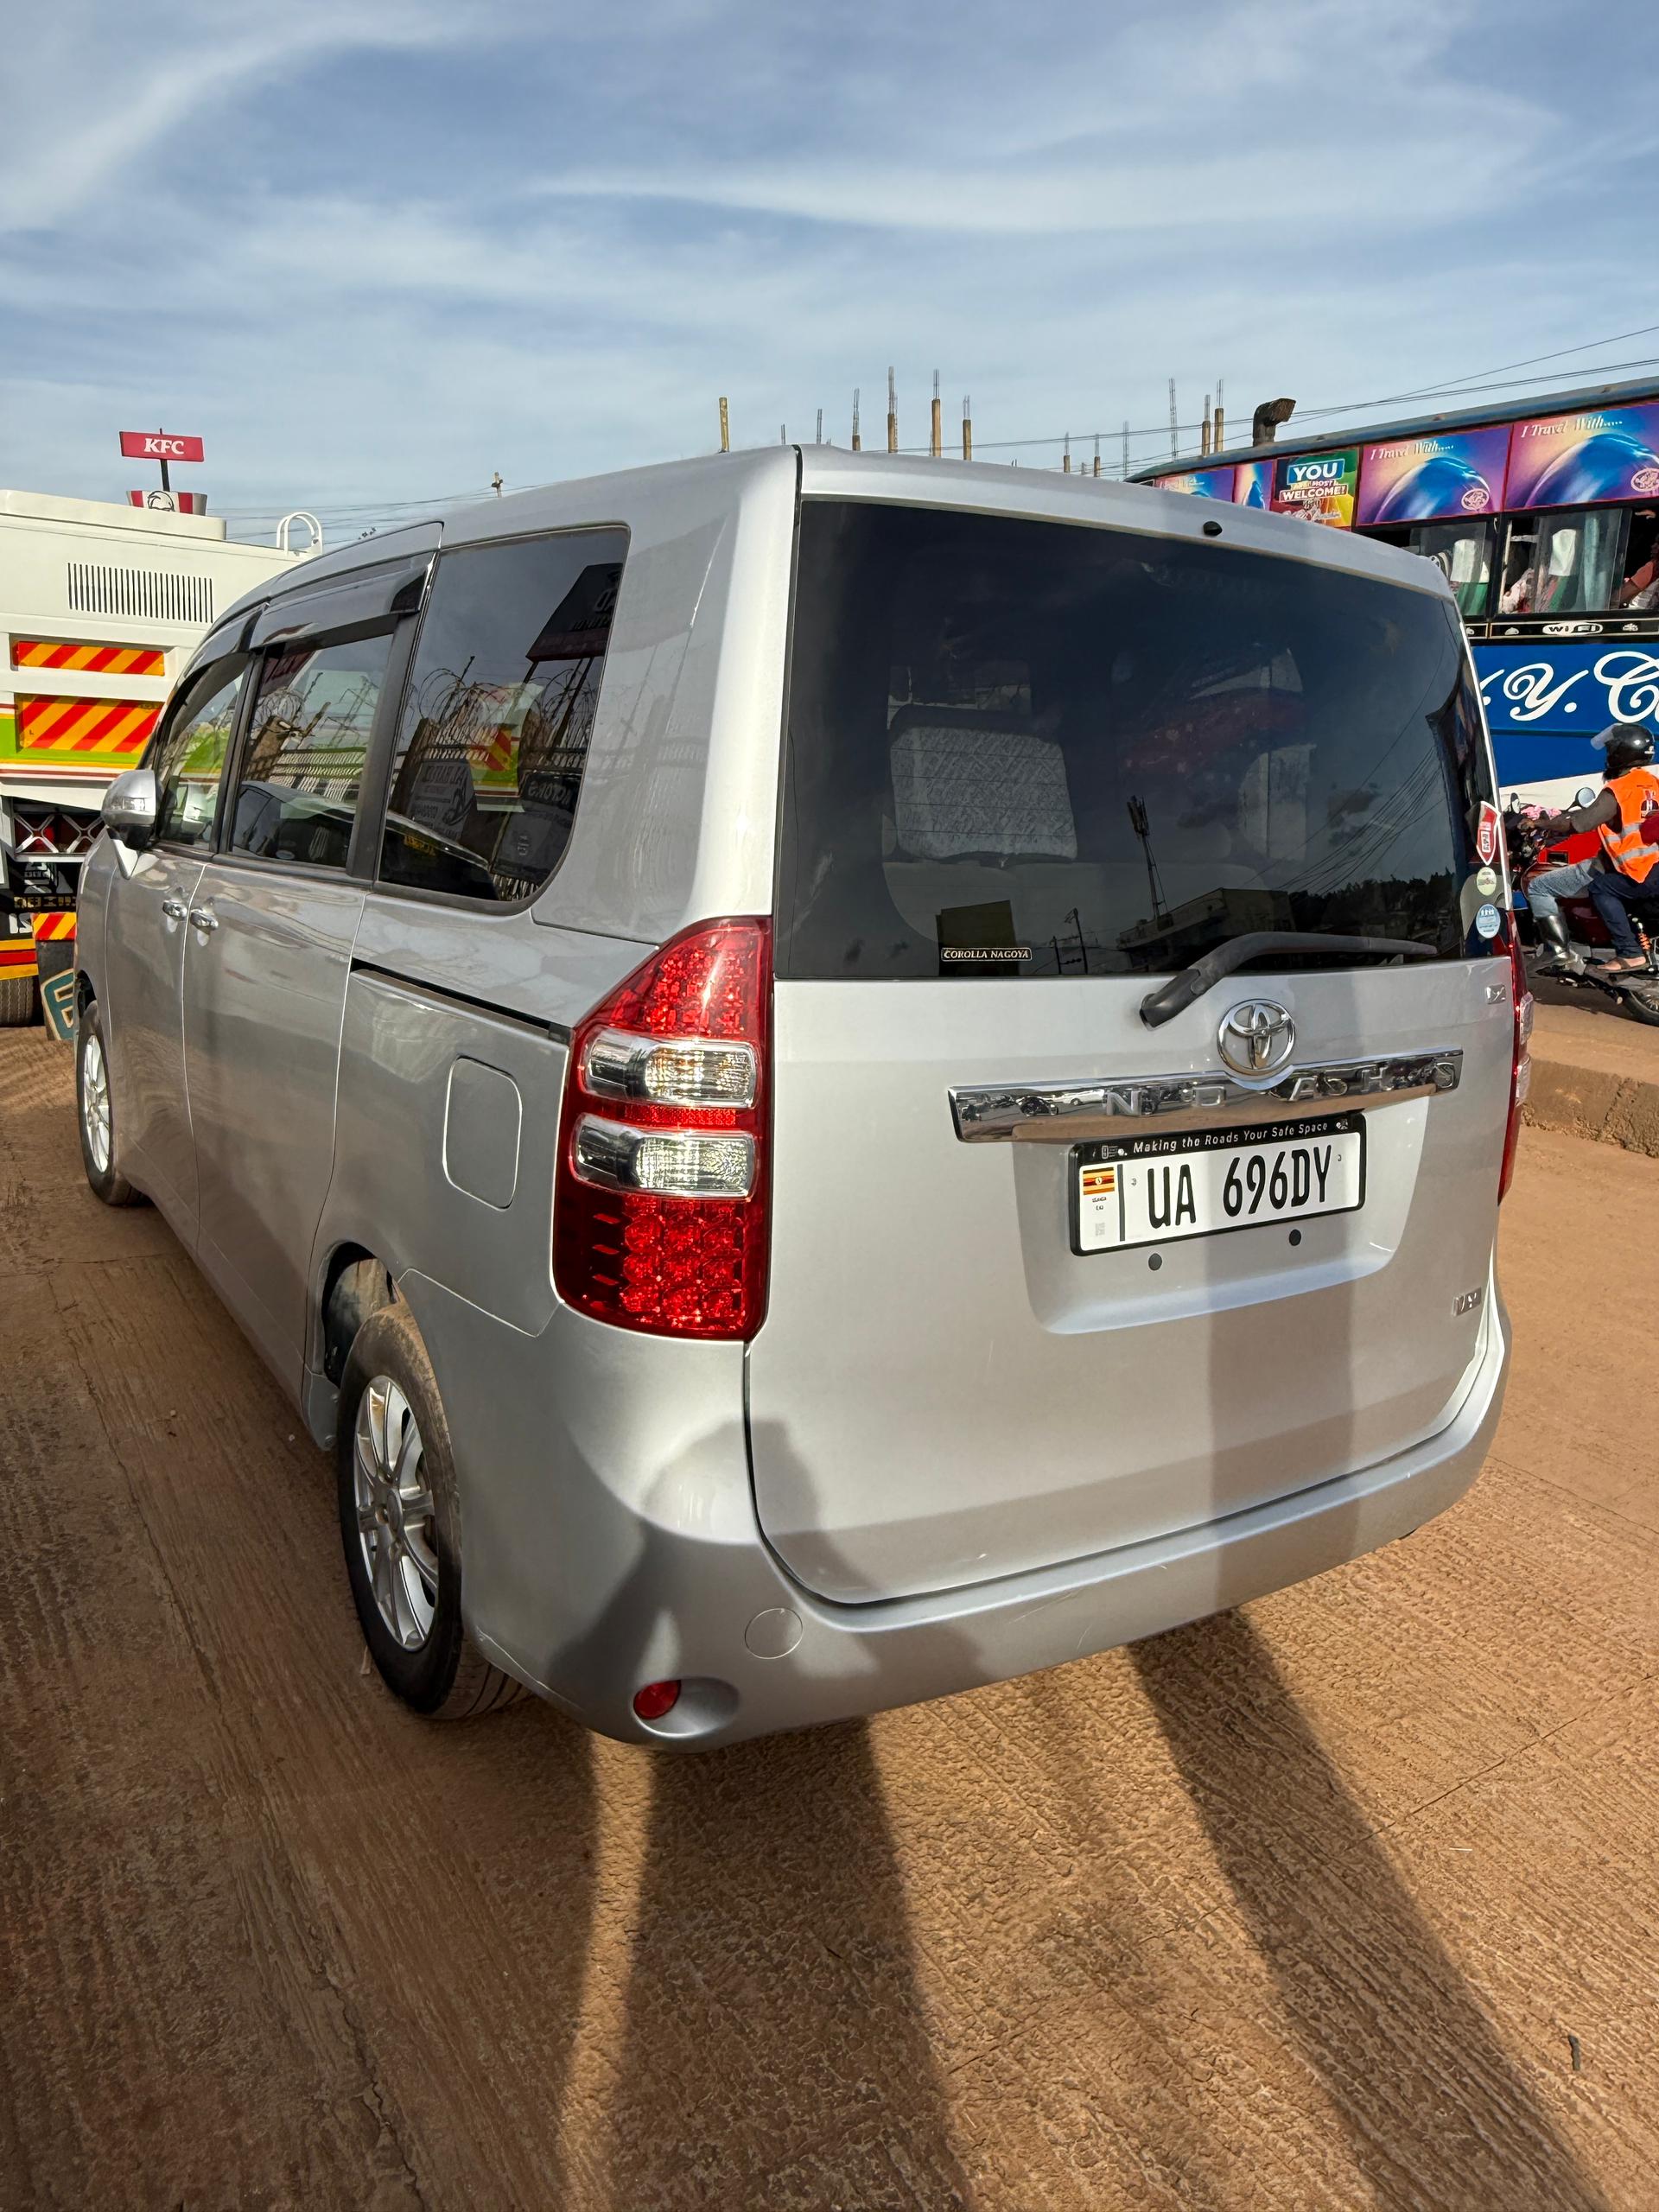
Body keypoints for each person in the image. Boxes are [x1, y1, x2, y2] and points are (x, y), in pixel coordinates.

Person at [1524, 723, 1659, 976]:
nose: (1607, 754)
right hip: (1651, 865)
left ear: (1620, 753)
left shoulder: (1619, 789)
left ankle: (1558, 952)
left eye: (1610, 749)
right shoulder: (1651, 783)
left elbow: (1579, 823)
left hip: (1626, 868)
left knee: (1539, 886)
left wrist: (1539, 823)